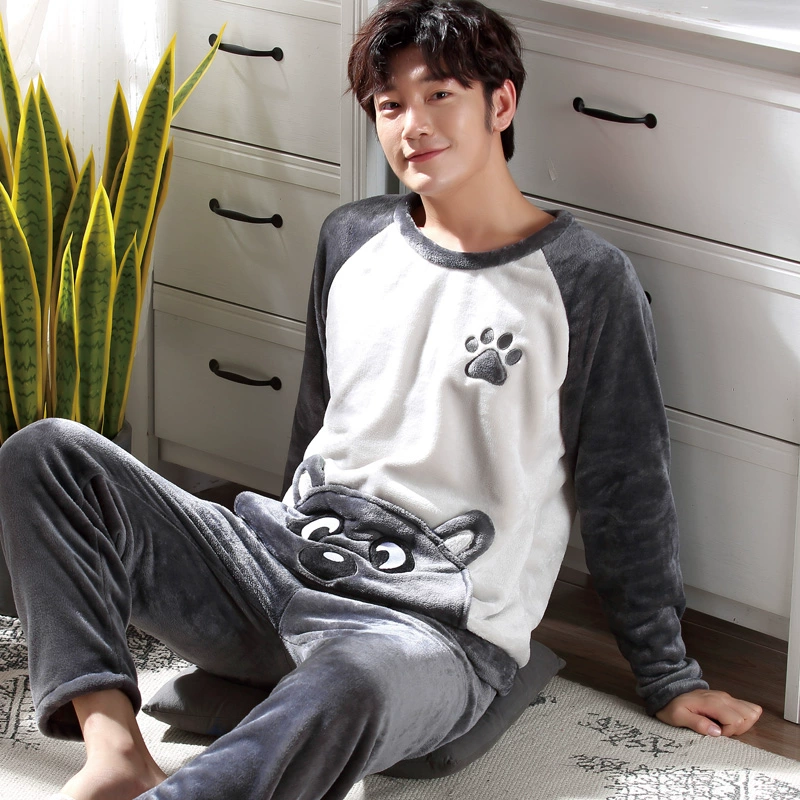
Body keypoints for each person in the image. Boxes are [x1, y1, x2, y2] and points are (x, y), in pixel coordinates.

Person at [0, 1, 761, 799]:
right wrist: (270, 555)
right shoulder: (351, 238)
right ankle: (116, 752)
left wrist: (669, 674)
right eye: (390, 105)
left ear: (501, 103)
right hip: (283, 567)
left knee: (352, 682)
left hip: (429, 633)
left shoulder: (586, 280)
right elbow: (319, 427)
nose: (412, 125)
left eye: (440, 96)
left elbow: (626, 486)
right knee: (44, 452)